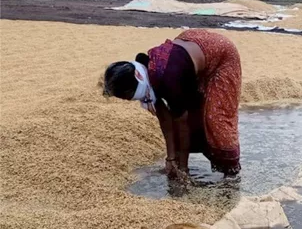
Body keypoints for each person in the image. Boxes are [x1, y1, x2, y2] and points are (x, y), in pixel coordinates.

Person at [103, 29, 242, 181]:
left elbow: (182, 123)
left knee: (215, 118)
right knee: (192, 113)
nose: (129, 100)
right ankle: (180, 161)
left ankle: (231, 173)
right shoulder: (146, 73)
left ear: (137, 78)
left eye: (128, 96)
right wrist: (170, 159)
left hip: (221, 53)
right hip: (188, 46)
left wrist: (183, 168)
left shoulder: (167, 81)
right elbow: (165, 119)